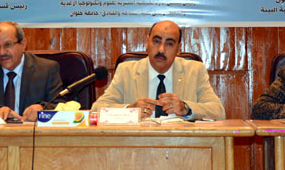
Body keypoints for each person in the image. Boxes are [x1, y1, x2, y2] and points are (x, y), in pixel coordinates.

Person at [91, 20, 225, 120]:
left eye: (169, 44)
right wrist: (131, 110)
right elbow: (97, 110)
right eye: (156, 41)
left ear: (178, 49)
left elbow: (218, 112)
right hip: (138, 144)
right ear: (147, 43)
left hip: (180, 144)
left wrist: (185, 108)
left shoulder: (195, 71)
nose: (161, 49)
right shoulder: (126, 71)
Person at [0, 21, 65, 122]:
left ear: (23, 44)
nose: (2, 52)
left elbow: (61, 105)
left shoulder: (46, 69)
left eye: (8, 45)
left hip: (31, 131)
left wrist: (42, 108)